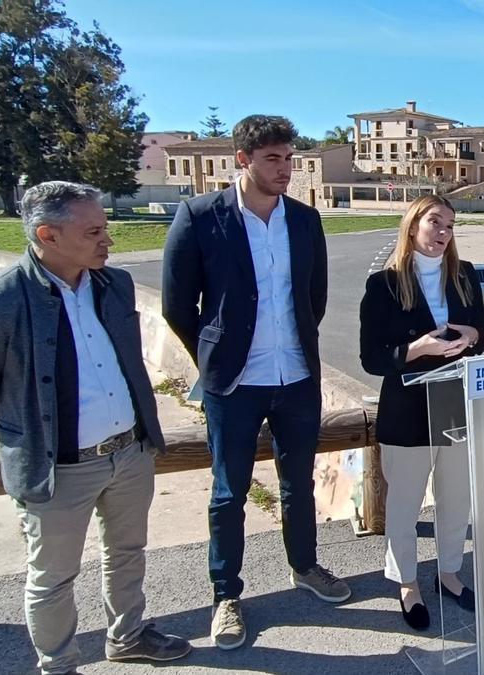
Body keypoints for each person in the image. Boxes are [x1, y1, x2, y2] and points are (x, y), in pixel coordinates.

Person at [0, 182, 190, 674]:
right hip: (58, 469)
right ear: (48, 234)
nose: (107, 239)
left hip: (129, 454)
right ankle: (59, 665)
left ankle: (127, 637)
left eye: (105, 227)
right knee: (52, 578)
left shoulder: (115, 284)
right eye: (93, 231)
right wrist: (26, 434)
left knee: (128, 552)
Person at [162, 115, 348, 650]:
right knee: (228, 492)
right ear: (242, 160)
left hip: (295, 376)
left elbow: (315, 298)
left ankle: (306, 567)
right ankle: (226, 595)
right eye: (273, 159)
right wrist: (215, 354)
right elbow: (179, 305)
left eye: (289, 158)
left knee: (298, 485)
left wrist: (292, 345)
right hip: (234, 382)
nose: (286, 169)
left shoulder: (306, 221)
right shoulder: (199, 217)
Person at [359, 195, 484, 630]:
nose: (443, 231)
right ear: (413, 225)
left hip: (453, 399)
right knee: (405, 504)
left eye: (450, 224)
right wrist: (418, 349)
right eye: (435, 222)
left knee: (456, 496)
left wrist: (470, 335)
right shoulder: (384, 284)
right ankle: (407, 582)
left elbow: (481, 334)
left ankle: (449, 573)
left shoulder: (465, 275)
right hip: (407, 404)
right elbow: (372, 358)